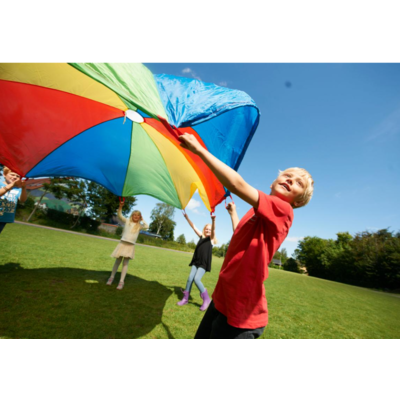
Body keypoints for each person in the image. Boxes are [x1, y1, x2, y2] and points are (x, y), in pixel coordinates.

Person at [178, 133, 314, 339]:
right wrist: (234, 214)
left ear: (297, 201)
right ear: (273, 182)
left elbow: (237, 185)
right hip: (223, 298)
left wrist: (199, 151)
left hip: (241, 314)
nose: (290, 180)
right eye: (287, 175)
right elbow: (240, 237)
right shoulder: (257, 211)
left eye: (298, 184)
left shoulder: (284, 209)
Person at [177, 210, 217, 311]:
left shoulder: (211, 239)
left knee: (196, 279)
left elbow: (213, 230)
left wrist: (213, 220)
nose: (208, 230)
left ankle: (207, 299)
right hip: (196, 261)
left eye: (209, 229)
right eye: (206, 229)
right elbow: (193, 226)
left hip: (203, 263)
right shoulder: (201, 236)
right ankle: (185, 299)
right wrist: (187, 218)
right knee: (190, 278)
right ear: (204, 230)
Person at [107, 203, 149, 290]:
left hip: (130, 246)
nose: (136, 217)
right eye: (134, 215)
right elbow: (119, 215)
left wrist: (142, 220)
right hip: (123, 243)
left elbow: (147, 226)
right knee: (117, 262)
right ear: (132, 216)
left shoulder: (139, 226)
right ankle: (111, 277)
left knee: (125, 264)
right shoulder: (127, 222)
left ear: (139, 217)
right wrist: (120, 206)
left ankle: (121, 282)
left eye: (138, 216)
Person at [0, 167, 28, 234]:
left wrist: (23, 188)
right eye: (12, 174)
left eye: (18, 176)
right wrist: (12, 185)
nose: (15, 177)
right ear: (4, 174)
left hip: (4, 218)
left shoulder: (18, 189)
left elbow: (22, 200)